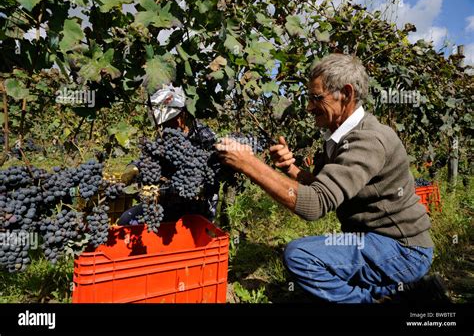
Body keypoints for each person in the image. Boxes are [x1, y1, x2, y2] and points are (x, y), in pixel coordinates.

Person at [215, 53, 450, 303]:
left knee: (300, 256)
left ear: (346, 94)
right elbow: (325, 187)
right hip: (376, 242)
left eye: (316, 98)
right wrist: (291, 170)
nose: (309, 107)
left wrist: (249, 164)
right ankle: (409, 294)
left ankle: (380, 300)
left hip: (403, 250)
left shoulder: (368, 140)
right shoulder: (342, 136)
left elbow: (315, 205)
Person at [117, 85, 218, 225]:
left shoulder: (203, 137)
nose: (169, 124)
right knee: (126, 220)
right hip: (167, 204)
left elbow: (209, 174)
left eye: (173, 118)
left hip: (197, 207)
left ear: (184, 113)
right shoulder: (165, 135)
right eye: (164, 122)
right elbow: (152, 157)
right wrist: (134, 167)